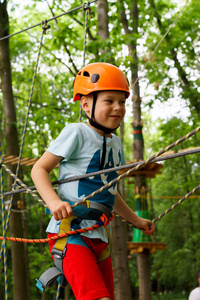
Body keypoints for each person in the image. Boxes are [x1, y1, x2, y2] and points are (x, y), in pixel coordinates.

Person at [31, 62, 155, 300]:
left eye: (122, 102)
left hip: (99, 237)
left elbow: (111, 191)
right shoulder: (76, 132)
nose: (117, 108)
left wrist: (136, 220)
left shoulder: (116, 144)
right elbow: (40, 169)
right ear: (86, 104)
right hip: (71, 233)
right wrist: (54, 202)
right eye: (109, 101)